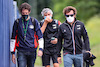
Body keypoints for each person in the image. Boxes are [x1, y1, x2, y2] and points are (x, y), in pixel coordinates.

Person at [10, 3, 44, 67]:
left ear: (29, 12)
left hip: (32, 50)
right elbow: (13, 38)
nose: (25, 15)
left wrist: (41, 49)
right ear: (21, 12)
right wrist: (13, 53)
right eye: (23, 13)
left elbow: (40, 36)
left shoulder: (34, 21)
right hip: (21, 50)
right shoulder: (17, 22)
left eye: (26, 13)